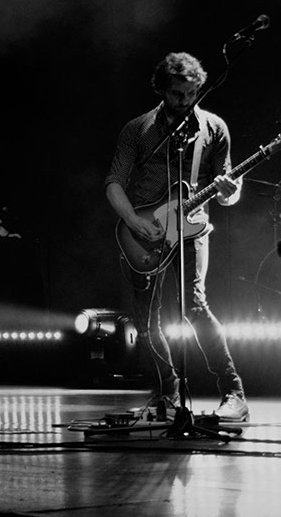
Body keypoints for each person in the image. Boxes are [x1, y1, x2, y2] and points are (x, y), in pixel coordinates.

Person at [105, 51, 248, 422]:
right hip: (143, 233)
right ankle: (167, 391)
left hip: (191, 228)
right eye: (178, 94)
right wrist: (134, 224)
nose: (186, 102)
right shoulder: (137, 129)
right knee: (146, 320)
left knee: (195, 308)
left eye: (192, 94)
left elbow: (228, 192)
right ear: (162, 89)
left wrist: (230, 190)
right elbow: (114, 184)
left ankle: (233, 391)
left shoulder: (214, 128)